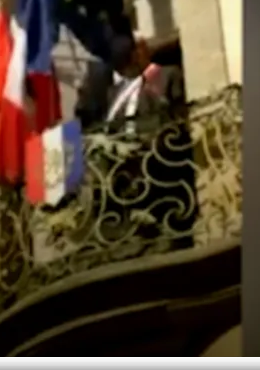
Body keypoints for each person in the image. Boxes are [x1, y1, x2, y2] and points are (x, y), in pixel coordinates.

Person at [74, 33, 197, 256]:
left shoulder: (167, 75)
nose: (126, 64)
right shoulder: (114, 93)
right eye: (121, 62)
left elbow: (180, 121)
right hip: (122, 179)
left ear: (141, 51)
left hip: (159, 171)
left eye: (129, 57)